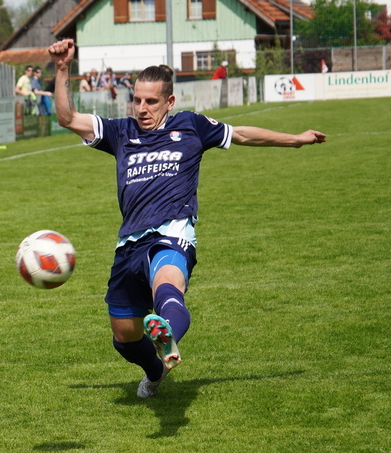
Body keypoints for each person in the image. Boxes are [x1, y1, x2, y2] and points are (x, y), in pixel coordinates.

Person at [47, 38, 326, 398]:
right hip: (129, 243)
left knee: (168, 287)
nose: (142, 108)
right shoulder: (121, 132)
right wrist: (62, 68)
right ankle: (155, 369)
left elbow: (241, 134)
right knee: (124, 337)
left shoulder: (192, 126)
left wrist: (295, 140)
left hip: (172, 233)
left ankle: (167, 332)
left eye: (151, 101)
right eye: (137, 100)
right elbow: (67, 118)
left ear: (170, 102)